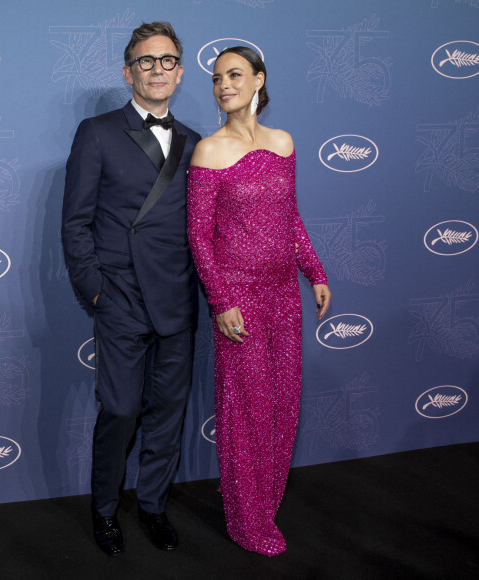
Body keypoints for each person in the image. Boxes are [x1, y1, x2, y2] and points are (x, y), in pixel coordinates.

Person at [62, 21, 200, 557]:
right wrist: (95, 291)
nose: (158, 70)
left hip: (176, 300)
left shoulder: (195, 142)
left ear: (180, 71)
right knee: (120, 410)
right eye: (147, 61)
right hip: (119, 298)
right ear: (128, 71)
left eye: (167, 61)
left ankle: (153, 506)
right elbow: (75, 223)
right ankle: (103, 509)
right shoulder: (96, 132)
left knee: (168, 411)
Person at [187, 47, 331, 557]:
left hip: (283, 296)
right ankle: (248, 522)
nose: (224, 85)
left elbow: (290, 218)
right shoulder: (209, 150)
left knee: (282, 402)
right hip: (240, 299)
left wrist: (313, 270)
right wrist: (222, 299)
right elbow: (199, 236)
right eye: (216, 78)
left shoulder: (284, 142)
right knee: (246, 409)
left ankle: (265, 505)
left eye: (234, 75)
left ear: (258, 80)